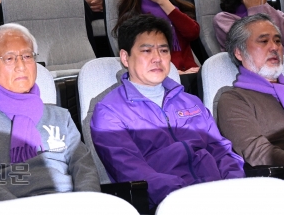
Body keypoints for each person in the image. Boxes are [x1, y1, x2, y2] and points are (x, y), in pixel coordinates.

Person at [91, 14, 245, 210]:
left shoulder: (191, 102)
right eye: (146, 51)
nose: (157, 58)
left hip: (221, 196)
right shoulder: (109, 112)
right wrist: (191, 196)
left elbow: (222, 151)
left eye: (164, 50)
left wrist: (235, 185)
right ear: (125, 57)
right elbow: (132, 171)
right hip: (169, 204)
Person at [0, 23, 100, 201]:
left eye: (27, 56)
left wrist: (87, 206)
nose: (21, 66)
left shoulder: (60, 116)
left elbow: (85, 168)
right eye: (9, 58)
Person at [218, 13, 284, 198]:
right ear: (239, 52)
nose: (274, 48)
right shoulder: (234, 99)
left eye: (277, 41)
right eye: (263, 41)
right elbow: (257, 151)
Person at [113, 0, 200, 89]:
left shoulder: (176, 7)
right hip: (158, 77)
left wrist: (163, 2)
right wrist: (173, 72)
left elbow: (193, 33)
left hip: (191, 73)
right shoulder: (131, 15)